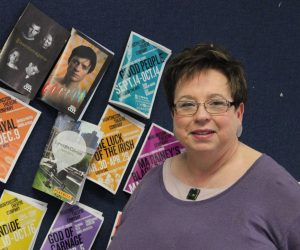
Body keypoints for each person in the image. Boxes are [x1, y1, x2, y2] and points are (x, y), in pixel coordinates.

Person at [108, 43, 300, 249]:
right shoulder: (150, 182)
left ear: (239, 113)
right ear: (174, 115)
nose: (201, 116)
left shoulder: (277, 191)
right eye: (187, 104)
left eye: (216, 103)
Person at [41, 45, 97, 112]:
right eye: (75, 62)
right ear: (69, 61)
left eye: (84, 67)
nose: (77, 68)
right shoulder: (48, 80)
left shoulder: (81, 100)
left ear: (89, 72)